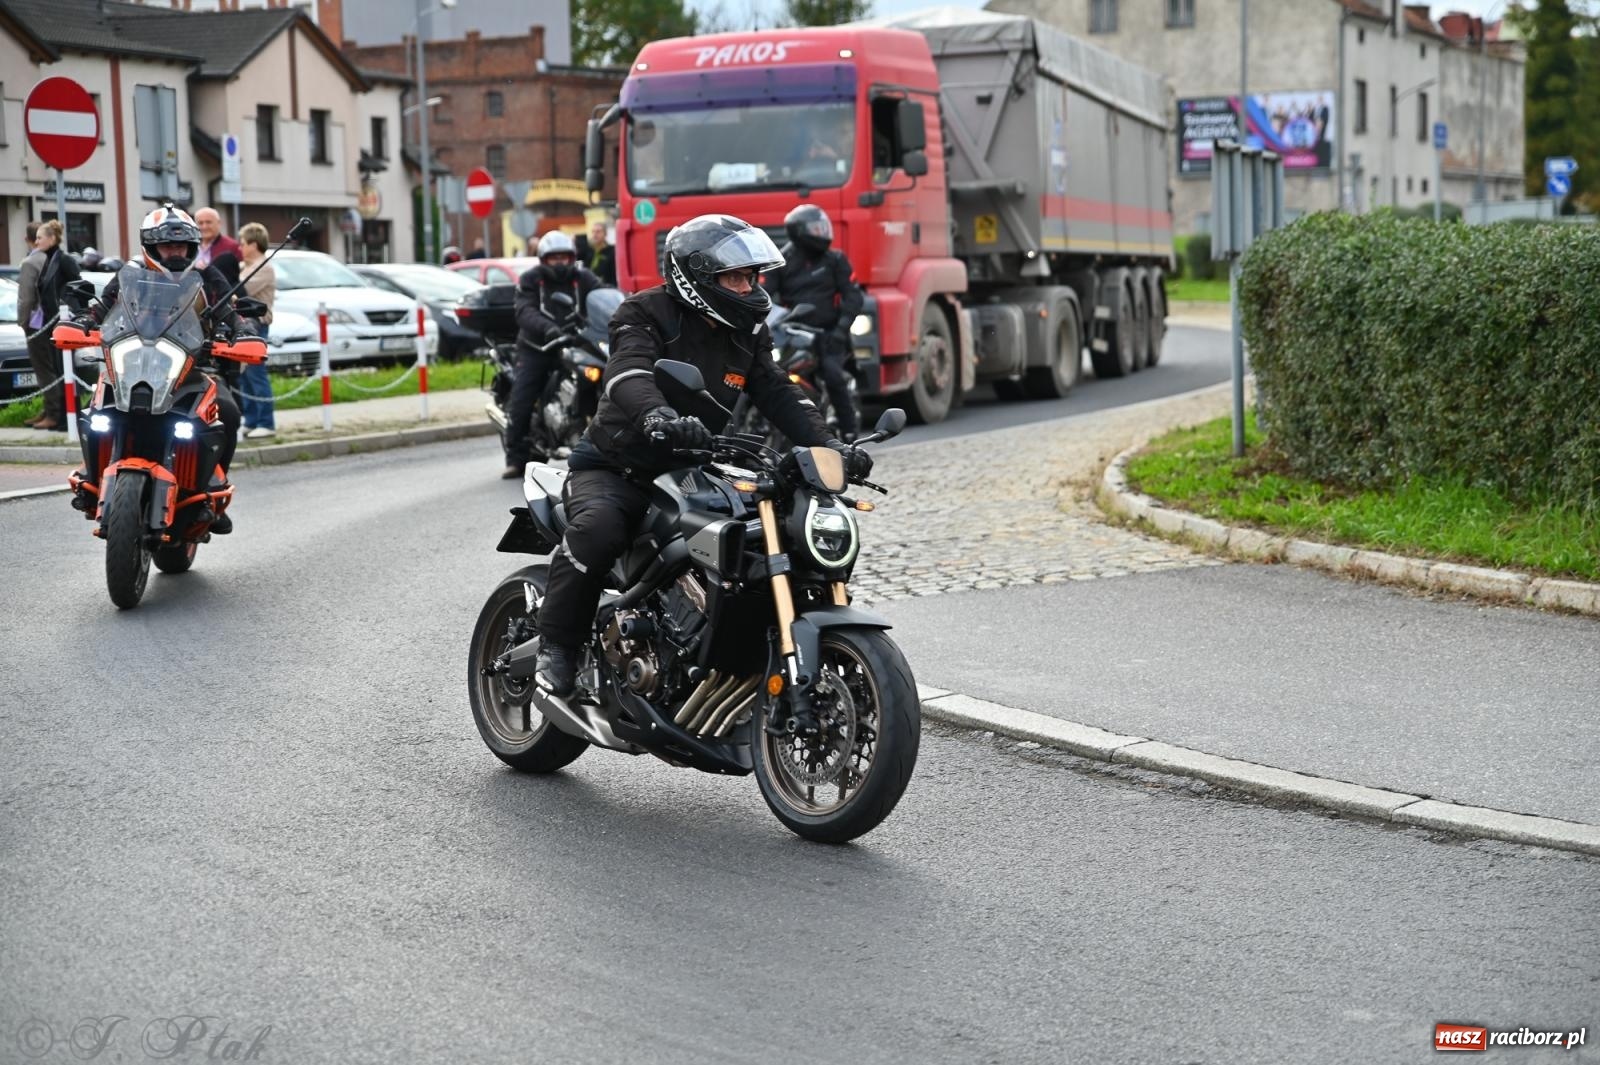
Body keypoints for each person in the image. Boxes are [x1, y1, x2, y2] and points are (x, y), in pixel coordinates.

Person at [530, 214, 873, 696]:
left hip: (689, 464)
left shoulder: (748, 329)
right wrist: (656, 417)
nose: (749, 286)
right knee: (601, 527)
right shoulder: (644, 312)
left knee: (749, 531)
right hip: (617, 466)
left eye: (752, 276)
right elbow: (628, 373)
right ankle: (557, 647)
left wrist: (829, 446)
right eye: (736, 277)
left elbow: (777, 392)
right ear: (696, 277)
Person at [76, 205, 245, 533]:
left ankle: (212, 492)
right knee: (97, 413)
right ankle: (91, 474)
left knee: (228, 412)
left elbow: (230, 312)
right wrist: (84, 321)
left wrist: (243, 331)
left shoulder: (207, 275)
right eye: (168, 246)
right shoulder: (131, 273)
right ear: (151, 247)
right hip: (133, 362)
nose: (176, 252)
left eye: (181, 246)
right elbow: (103, 306)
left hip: (193, 368)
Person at [502, 230, 603, 478]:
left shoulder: (583, 278)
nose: (560, 262)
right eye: (553, 258)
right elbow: (524, 310)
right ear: (543, 259)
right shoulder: (531, 280)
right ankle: (515, 458)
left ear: (572, 257)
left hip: (576, 343)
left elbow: (603, 295)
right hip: (538, 347)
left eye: (564, 257)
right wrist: (547, 329)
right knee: (523, 397)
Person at [762, 204, 864, 442]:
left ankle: (849, 433)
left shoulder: (835, 260)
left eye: (823, 228)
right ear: (798, 232)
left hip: (829, 335)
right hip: (792, 333)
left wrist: (841, 329)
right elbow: (763, 294)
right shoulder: (780, 261)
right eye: (816, 229)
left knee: (833, 376)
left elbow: (853, 296)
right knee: (767, 373)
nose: (823, 233)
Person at [18, 220, 81, 432]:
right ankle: (60, 416)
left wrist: (69, 310)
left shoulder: (62, 259)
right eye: (35, 238)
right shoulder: (49, 259)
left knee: (62, 368)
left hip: (60, 322)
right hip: (51, 323)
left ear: (52, 239)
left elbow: (76, 286)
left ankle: (63, 416)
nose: (36, 242)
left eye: (40, 238)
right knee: (57, 367)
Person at [237, 222, 277, 439]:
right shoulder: (246, 267)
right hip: (244, 326)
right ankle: (251, 419)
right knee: (244, 376)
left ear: (253, 244)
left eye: (243, 243)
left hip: (257, 325)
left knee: (256, 374)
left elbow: (241, 290)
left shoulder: (264, 267)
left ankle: (266, 422)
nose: (240, 247)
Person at [194, 207, 242, 287]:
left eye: (208, 222)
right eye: (200, 223)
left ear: (219, 223)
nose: (204, 227)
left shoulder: (232, 246)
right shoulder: (189, 246)